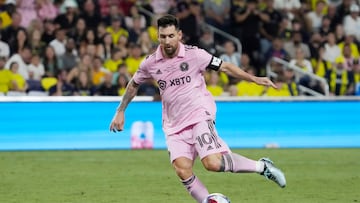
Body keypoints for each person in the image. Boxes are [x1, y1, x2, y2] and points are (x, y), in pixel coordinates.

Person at [109, 14, 286, 203]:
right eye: (162, 36)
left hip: (199, 115)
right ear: (158, 37)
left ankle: (262, 167)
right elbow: (134, 84)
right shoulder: (150, 63)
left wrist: (255, 79)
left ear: (179, 35)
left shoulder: (195, 54)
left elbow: (225, 67)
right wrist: (120, 111)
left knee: (212, 163)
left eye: (170, 36)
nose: (166, 41)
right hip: (174, 124)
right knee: (182, 169)